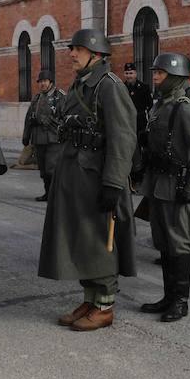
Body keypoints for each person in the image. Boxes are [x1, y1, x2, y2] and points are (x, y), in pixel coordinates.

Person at [39, 27, 137, 332]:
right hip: (75, 176)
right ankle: (91, 298)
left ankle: (105, 304)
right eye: (72, 49)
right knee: (81, 240)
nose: (71, 54)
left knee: (99, 241)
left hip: (97, 178)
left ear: (95, 54)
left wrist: (113, 183)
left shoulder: (110, 86)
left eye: (77, 49)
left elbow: (123, 138)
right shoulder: (81, 85)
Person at [136, 53, 190, 323]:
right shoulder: (161, 105)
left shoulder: (185, 107)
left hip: (177, 184)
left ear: (176, 77)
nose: (155, 77)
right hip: (158, 182)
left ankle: (180, 301)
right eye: (155, 72)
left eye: (160, 73)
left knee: (179, 243)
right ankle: (168, 296)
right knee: (164, 242)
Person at [21, 69, 64, 201]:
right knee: (43, 169)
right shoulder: (37, 98)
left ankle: (54, 194)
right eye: (40, 82)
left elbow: (64, 117)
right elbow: (29, 118)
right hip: (38, 138)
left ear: (50, 82)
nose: (42, 84)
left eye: (44, 81)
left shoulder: (60, 96)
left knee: (52, 168)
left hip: (53, 138)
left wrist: (48, 121)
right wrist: (26, 136)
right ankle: (47, 193)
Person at [122, 62, 152, 152]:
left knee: (141, 146)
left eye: (131, 73)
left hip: (140, 122)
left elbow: (150, 106)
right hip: (126, 122)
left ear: (135, 73)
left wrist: (150, 124)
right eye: (127, 73)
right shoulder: (121, 88)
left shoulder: (144, 87)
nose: (129, 76)